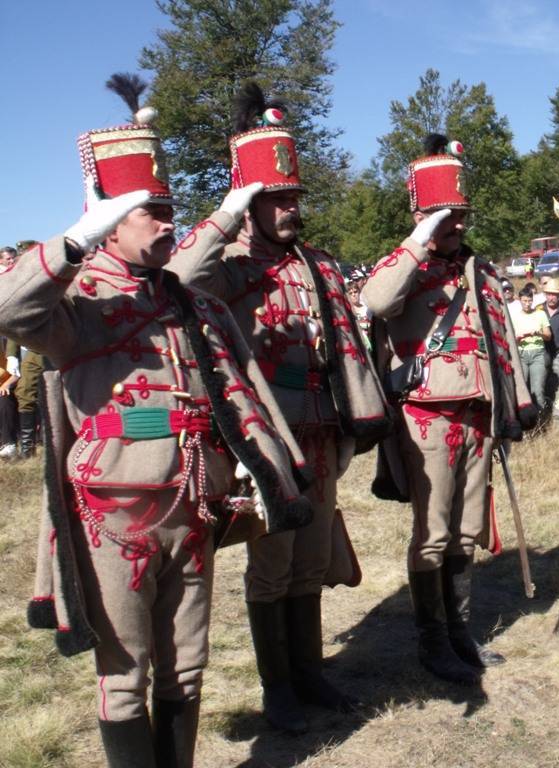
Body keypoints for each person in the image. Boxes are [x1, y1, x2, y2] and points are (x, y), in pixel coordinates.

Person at [4, 75, 312, 767]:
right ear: (113, 217)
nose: (170, 222)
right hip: (114, 519)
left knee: (187, 671)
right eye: (153, 211)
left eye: (171, 208)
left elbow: (239, 394)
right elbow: (8, 311)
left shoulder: (193, 305)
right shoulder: (76, 305)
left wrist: (272, 477)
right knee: (125, 678)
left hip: (193, 510)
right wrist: (79, 236)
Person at [169, 82, 391, 733]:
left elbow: (346, 347)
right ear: (252, 204)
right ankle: (279, 690)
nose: (291, 210)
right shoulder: (231, 265)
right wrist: (228, 214)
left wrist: (355, 423)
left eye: (295, 198)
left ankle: (310, 673)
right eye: (276, 199)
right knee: (271, 566)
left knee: (312, 562)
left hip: (321, 430)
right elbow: (176, 280)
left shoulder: (318, 266)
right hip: (267, 440)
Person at [363, 134, 537, 686]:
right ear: (420, 215)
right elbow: (378, 302)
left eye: (460, 215)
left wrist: (516, 404)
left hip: (478, 412)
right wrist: (421, 239)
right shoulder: (403, 263)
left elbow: (501, 334)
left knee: (467, 533)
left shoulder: (478, 269)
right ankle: (432, 639)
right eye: (446, 215)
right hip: (426, 415)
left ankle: (460, 632)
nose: (457, 224)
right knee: (433, 532)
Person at [509, 287, 551, 412]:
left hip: (538, 353)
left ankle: (540, 419)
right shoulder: (514, 317)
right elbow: (511, 341)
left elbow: (548, 336)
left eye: (529, 301)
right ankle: (524, 418)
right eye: (524, 301)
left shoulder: (540, 314)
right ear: (520, 300)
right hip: (521, 354)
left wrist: (539, 334)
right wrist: (518, 338)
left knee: (537, 389)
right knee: (522, 387)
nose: (527, 304)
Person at [543, 279, 559, 412]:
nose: (551, 297)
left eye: (554, 294)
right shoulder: (538, 310)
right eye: (549, 294)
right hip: (541, 353)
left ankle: (558, 412)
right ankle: (545, 410)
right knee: (543, 382)